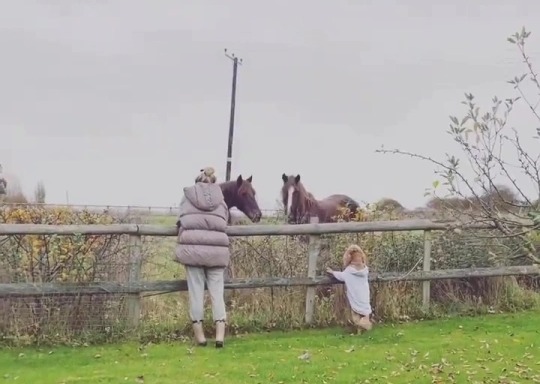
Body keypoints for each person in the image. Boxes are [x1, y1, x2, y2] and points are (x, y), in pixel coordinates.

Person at [174, 167, 230, 348]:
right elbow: (225, 222)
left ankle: (201, 337)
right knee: (217, 292)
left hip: (193, 251)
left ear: (198, 180)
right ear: (213, 182)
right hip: (216, 252)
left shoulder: (187, 197)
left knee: (196, 292)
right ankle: (220, 336)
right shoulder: (221, 202)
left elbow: (180, 220)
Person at [326, 244, 373, 333]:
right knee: (364, 311)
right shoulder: (365, 270)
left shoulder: (349, 271)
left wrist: (332, 272)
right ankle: (362, 327)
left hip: (355, 296)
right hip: (364, 295)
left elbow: (341, 276)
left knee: (355, 314)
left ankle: (362, 325)